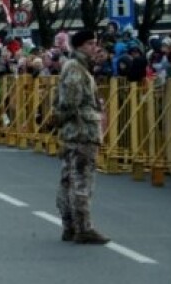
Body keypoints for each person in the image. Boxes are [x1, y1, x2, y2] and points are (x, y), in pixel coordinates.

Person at [55, 30, 110, 244]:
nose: (94, 47)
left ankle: (70, 226)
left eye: (95, 43)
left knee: (69, 179)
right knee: (81, 180)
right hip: (82, 131)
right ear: (78, 47)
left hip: (75, 131)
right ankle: (83, 228)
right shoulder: (76, 69)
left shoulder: (76, 67)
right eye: (89, 44)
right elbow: (70, 102)